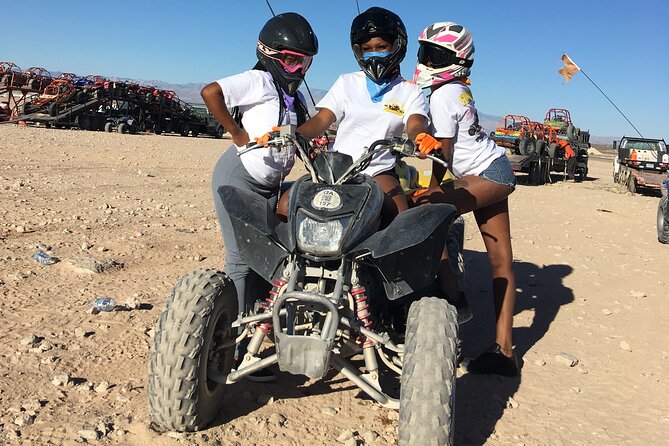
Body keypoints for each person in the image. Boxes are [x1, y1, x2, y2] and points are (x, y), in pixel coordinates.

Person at [200, 12, 318, 381]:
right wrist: (236, 132)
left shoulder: (290, 95)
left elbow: (300, 137)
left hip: (270, 186)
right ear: (269, 53)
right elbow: (211, 92)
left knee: (273, 254)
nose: (299, 68)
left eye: (305, 61)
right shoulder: (257, 80)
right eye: (292, 59)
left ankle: (258, 331)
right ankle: (230, 349)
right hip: (240, 178)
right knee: (240, 258)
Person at [412, 22, 519, 376]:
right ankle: (504, 351)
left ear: (454, 60)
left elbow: (444, 153)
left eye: (433, 55)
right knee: (501, 260)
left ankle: (453, 297)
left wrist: (432, 187)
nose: (425, 61)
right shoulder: (457, 88)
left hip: (486, 175)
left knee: (427, 212)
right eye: (424, 52)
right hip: (496, 169)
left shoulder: (442, 95)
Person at [279, 6, 440, 223]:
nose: (374, 53)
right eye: (367, 48)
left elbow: (415, 123)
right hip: (335, 170)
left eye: (381, 46)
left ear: (397, 46)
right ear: (359, 51)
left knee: (402, 221)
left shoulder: (409, 91)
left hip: (378, 171)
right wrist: (288, 133)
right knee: (285, 205)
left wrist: (419, 137)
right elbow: (322, 119)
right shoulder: (347, 82)